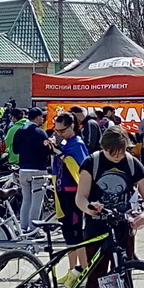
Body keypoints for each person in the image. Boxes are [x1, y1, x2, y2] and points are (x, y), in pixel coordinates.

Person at [74, 126, 144, 288]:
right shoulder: (92, 163)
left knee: (121, 278)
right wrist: (89, 208)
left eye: (121, 152)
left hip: (122, 227)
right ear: (104, 148)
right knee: (96, 278)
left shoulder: (131, 163)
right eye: (113, 153)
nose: (118, 156)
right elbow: (80, 196)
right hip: (97, 227)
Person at [51, 112, 90, 278]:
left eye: (62, 130)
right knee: (68, 233)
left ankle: (84, 269)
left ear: (72, 125)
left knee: (76, 233)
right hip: (62, 193)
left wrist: (60, 153)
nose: (59, 134)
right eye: (56, 131)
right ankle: (72, 270)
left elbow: (83, 169)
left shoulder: (77, 144)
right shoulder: (66, 142)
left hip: (74, 195)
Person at [12, 106, 54, 239]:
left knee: (26, 200)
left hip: (23, 169)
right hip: (38, 171)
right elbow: (47, 151)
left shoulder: (20, 131)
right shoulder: (40, 133)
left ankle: (23, 228)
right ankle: (34, 229)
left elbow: (15, 150)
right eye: (42, 117)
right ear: (37, 117)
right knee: (37, 201)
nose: (43, 119)